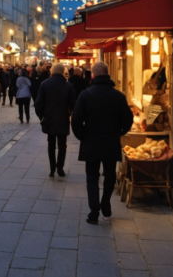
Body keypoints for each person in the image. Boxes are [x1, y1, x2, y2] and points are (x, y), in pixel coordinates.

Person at [72, 61, 133, 224]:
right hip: (110, 141)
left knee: (92, 176)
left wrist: (82, 136)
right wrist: (120, 132)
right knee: (110, 174)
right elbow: (128, 119)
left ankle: (94, 211)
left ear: (93, 75)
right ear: (108, 75)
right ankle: (105, 202)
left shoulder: (85, 95)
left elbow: (76, 120)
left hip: (90, 141)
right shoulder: (118, 96)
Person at [34, 63, 76, 178]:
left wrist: (41, 117)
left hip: (49, 119)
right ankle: (60, 167)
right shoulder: (67, 86)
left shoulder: (45, 84)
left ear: (52, 72)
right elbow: (73, 103)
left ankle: (52, 168)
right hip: (63, 119)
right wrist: (70, 114)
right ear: (63, 72)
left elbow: (38, 103)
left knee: (51, 144)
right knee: (62, 145)